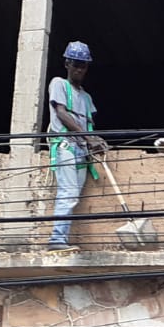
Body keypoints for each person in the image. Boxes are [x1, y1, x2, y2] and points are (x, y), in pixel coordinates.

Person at [46, 41, 109, 248]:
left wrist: (96, 141)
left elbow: (90, 126)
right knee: (69, 192)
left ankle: (62, 238)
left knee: (74, 194)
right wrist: (88, 138)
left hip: (81, 151)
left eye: (83, 65)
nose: (80, 69)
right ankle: (57, 239)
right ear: (67, 64)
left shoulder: (86, 97)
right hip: (65, 146)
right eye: (76, 64)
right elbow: (62, 114)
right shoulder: (58, 84)